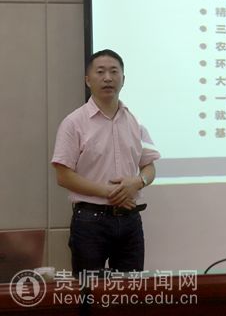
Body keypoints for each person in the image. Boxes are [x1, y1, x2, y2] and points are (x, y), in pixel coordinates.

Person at [51, 49, 160, 275]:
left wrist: (138, 182)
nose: (108, 78)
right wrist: (110, 192)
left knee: (131, 291)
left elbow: (149, 166)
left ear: (123, 79)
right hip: (90, 222)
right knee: (90, 291)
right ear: (88, 80)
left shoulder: (135, 121)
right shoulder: (73, 123)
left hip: (130, 221)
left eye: (114, 72)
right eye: (100, 72)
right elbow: (63, 176)